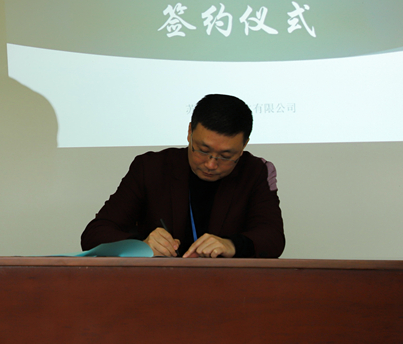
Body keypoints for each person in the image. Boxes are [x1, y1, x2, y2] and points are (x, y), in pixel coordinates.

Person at [81, 94, 285, 258]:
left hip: (228, 286)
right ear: (189, 132)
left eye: (225, 156)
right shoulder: (151, 168)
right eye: (203, 150)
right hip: (157, 285)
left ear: (244, 145)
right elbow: (94, 233)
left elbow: (273, 238)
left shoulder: (255, 172)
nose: (211, 164)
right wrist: (141, 245)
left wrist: (232, 245)